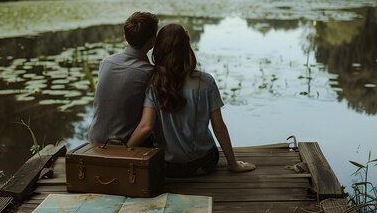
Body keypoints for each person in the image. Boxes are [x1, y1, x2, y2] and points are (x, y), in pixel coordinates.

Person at [127, 23, 255, 176]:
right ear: (187, 48)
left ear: (159, 49)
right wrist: (233, 164)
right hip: (203, 163)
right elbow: (219, 128)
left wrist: (124, 151)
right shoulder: (206, 82)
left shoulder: (155, 85)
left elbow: (145, 127)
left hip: (168, 168)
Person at [87, 12, 159, 144]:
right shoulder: (150, 73)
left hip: (94, 142)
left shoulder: (106, 63)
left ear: (125, 36)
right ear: (153, 41)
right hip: (123, 147)